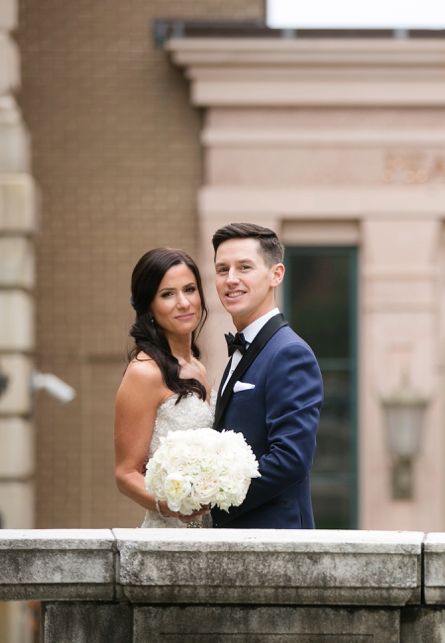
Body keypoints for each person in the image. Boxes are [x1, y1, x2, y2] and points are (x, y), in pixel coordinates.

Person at [211, 222, 323, 528]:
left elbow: (291, 459)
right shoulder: (243, 349)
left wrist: (211, 502)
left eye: (244, 267)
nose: (231, 279)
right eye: (222, 269)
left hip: (274, 538)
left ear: (276, 275)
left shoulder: (289, 353)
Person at [114, 247, 213, 528]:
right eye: (167, 294)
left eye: (190, 289)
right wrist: (172, 506)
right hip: (168, 531)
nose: (183, 302)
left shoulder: (197, 367)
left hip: (208, 533)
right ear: (149, 307)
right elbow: (125, 473)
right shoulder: (144, 373)